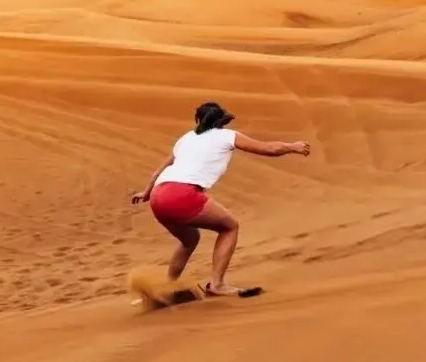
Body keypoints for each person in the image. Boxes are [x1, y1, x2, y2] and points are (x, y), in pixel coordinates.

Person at [130, 101, 310, 296]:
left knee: (189, 240)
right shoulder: (227, 136)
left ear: (198, 119)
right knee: (229, 227)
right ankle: (217, 285)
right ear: (222, 120)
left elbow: (159, 170)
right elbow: (268, 149)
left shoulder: (186, 138)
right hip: (182, 194)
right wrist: (293, 146)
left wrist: (147, 193)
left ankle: (167, 288)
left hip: (158, 195)